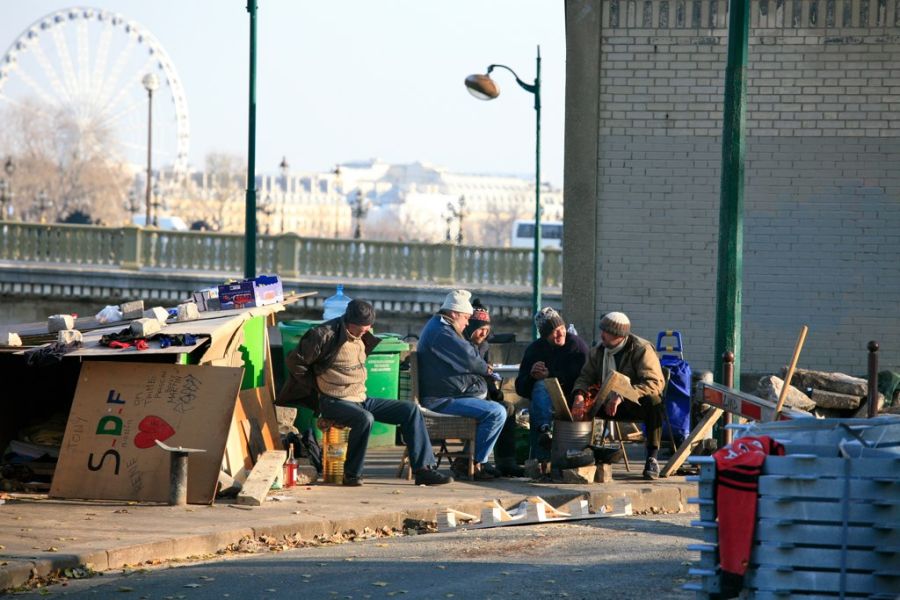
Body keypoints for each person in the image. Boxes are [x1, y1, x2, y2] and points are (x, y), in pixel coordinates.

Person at [277, 299, 452, 487]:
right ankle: (351, 474)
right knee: (364, 418)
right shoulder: (323, 334)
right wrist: (316, 387)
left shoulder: (364, 335)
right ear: (348, 321)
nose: (365, 331)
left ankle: (424, 469)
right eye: (360, 327)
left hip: (360, 398)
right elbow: (295, 362)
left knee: (410, 411)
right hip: (333, 400)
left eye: (368, 327)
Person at [417, 290, 507, 480]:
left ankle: (469, 460)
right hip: (441, 400)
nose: (467, 323)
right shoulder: (442, 332)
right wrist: (487, 370)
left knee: (490, 403)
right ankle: (474, 463)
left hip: (446, 394)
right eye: (466, 318)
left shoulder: (440, 327)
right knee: (497, 412)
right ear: (455, 314)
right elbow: (469, 358)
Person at [571, 311, 666, 480]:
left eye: (605, 332)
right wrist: (579, 395)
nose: (602, 335)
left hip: (633, 405)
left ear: (618, 335)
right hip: (605, 403)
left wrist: (623, 395)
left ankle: (652, 458)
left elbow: (654, 384)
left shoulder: (641, 349)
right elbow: (585, 377)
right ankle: (579, 453)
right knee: (574, 399)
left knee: (654, 402)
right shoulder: (599, 351)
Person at [515, 307, 589, 465]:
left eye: (562, 328)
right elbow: (520, 388)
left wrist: (550, 376)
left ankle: (541, 444)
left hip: (574, 396)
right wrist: (531, 376)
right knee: (539, 387)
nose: (561, 333)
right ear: (545, 334)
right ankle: (543, 438)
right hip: (544, 400)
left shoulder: (575, 345)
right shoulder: (534, 350)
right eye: (554, 331)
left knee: (542, 385)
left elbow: (581, 378)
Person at [462, 300, 524, 477]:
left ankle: (506, 461)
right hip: (468, 395)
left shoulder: (484, 346)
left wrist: (496, 392)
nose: (484, 333)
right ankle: (480, 460)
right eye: (480, 329)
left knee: (509, 408)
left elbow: (487, 374)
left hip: (482, 391)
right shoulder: (464, 346)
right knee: (499, 410)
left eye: (487, 330)